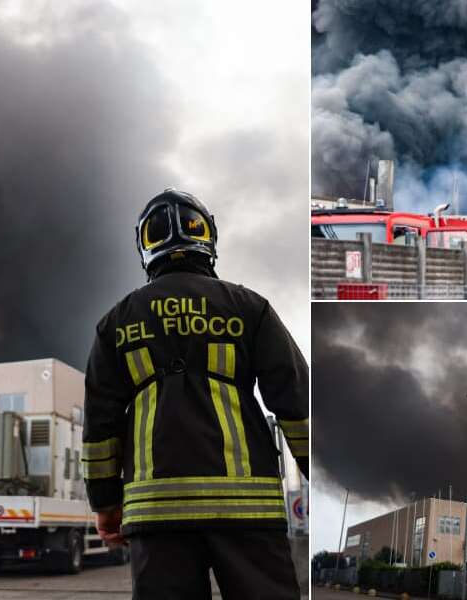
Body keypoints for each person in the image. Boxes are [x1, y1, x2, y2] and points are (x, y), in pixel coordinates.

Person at [81, 189, 308, 599]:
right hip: (247, 512)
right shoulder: (249, 308)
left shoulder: (116, 323)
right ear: (208, 238)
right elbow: (299, 405)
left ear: (146, 248)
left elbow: (100, 427)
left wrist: (105, 503)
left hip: (156, 515)